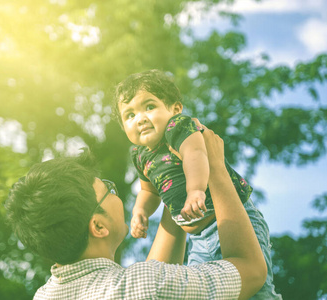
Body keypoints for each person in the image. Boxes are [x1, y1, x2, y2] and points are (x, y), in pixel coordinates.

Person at [5, 124, 267, 299]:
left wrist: (173, 190)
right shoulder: (142, 285)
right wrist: (216, 169)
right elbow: (251, 270)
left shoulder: (45, 296)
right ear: (98, 226)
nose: (114, 190)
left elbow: (152, 282)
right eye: (108, 189)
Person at [113, 69, 282, 299]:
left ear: (175, 109)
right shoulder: (140, 155)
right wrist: (140, 211)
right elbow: (148, 190)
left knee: (253, 291)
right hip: (199, 238)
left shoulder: (178, 127)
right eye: (129, 115)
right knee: (203, 290)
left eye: (149, 107)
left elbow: (196, 155)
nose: (140, 118)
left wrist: (195, 190)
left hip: (230, 219)